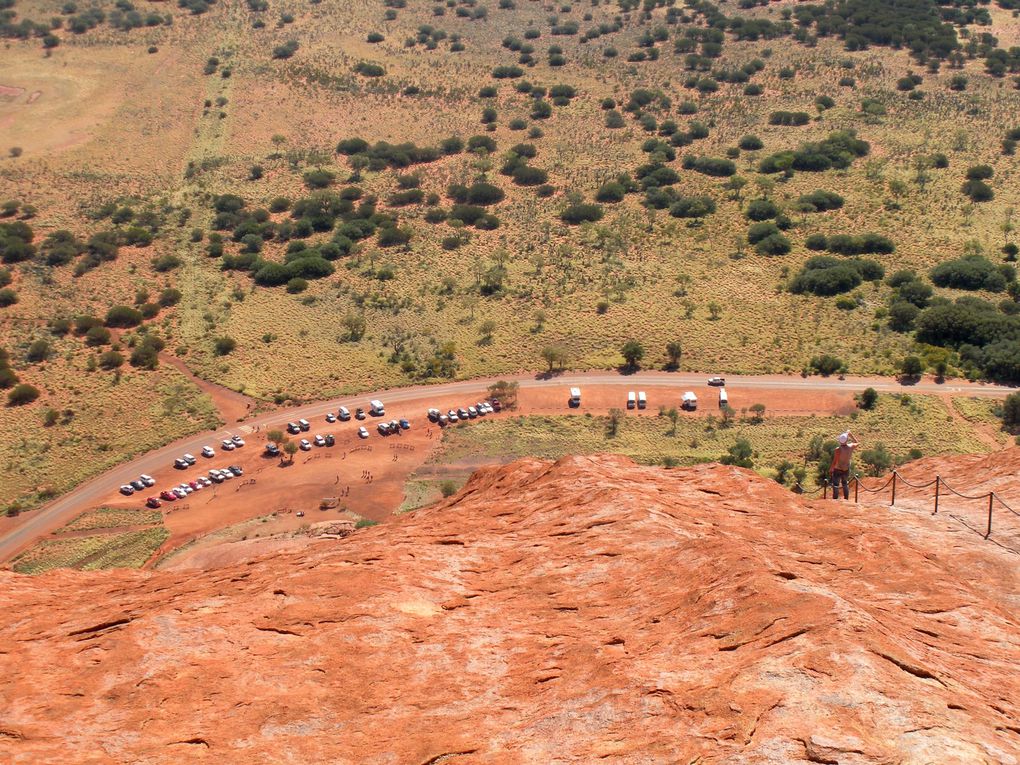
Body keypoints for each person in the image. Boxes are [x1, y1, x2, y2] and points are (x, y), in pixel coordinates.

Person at [829, 431, 859, 500]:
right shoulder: (851, 447)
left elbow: (834, 461)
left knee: (836, 485)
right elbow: (857, 443)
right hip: (846, 469)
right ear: (846, 440)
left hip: (837, 469)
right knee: (845, 484)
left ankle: (835, 499)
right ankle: (846, 499)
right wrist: (851, 435)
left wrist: (831, 468)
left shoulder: (838, 449)